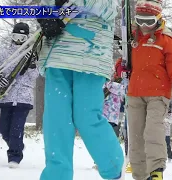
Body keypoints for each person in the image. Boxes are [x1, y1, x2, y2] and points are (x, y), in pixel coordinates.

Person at [36, 0, 123, 179]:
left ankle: (112, 168)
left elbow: (111, 10)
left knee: (86, 117)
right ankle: (56, 175)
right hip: (57, 56)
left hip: (91, 59)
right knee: (56, 119)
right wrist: (44, 14)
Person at [126, 0, 172, 179]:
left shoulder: (165, 41)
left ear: (158, 19)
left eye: (149, 21)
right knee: (136, 136)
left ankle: (156, 171)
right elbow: (126, 62)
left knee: (152, 131)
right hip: (134, 93)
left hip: (158, 94)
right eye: (140, 20)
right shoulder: (132, 39)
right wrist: (120, 67)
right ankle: (140, 175)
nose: (144, 26)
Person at [0, 22, 39, 168]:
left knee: (16, 128)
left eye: (22, 37)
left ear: (27, 38)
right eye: (16, 36)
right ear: (12, 36)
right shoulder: (5, 54)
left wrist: (31, 66)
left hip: (23, 97)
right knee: (2, 128)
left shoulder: (31, 54)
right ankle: (17, 145)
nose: (18, 40)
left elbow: (36, 75)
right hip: (6, 96)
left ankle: (14, 156)